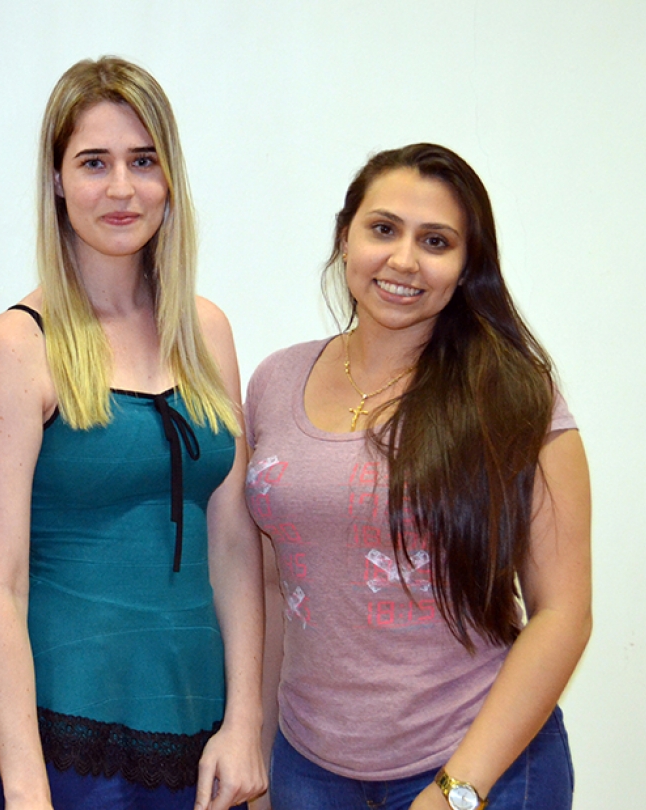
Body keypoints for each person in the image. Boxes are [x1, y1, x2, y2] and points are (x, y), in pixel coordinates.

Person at [244, 143, 591, 809]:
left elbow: (564, 614)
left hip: (478, 764)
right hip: (308, 767)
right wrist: (259, 759)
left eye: (436, 241)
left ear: (466, 267)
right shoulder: (274, 381)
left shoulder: (513, 394)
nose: (404, 260)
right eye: (383, 229)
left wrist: (457, 789)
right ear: (345, 237)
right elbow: (269, 586)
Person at [0, 57, 267, 810]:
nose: (122, 188)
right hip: (65, 746)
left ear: (170, 179)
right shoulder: (16, 346)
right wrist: (25, 783)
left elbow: (234, 543)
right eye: (94, 163)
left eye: (143, 161)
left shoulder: (207, 331)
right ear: (58, 180)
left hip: (203, 736)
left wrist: (246, 722)